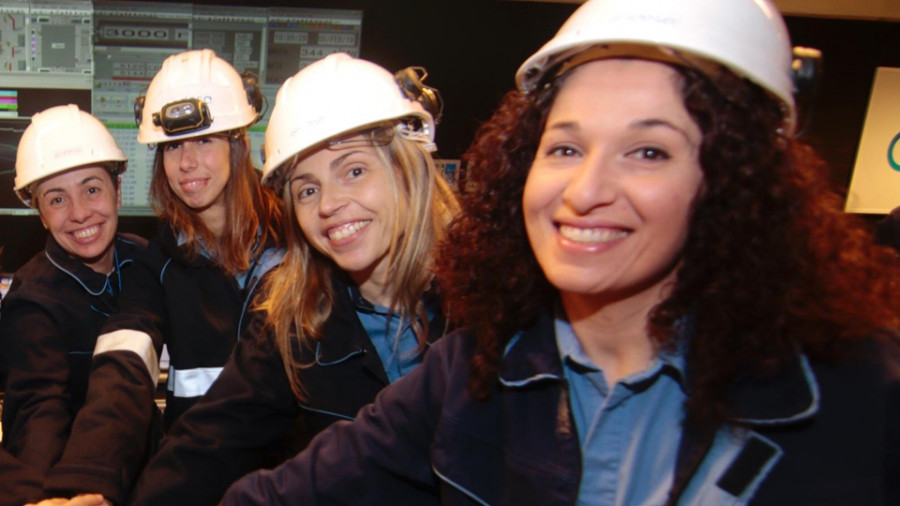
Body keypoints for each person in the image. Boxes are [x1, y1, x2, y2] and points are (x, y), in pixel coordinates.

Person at [221, 0, 900, 504]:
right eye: (566, 148)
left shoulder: (859, 399)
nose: (586, 190)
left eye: (648, 151)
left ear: (734, 178)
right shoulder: (473, 372)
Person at [129, 53, 458, 505]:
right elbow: (213, 437)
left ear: (408, 165)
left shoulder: (496, 310)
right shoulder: (300, 316)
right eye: (307, 188)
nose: (328, 204)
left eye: (354, 171)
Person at [97, 48, 285, 432]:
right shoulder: (159, 263)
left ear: (239, 143)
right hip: (197, 466)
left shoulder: (297, 242)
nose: (186, 163)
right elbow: (125, 358)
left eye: (204, 141)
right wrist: (93, 467)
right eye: (172, 146)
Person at [0, 105, 150, 505]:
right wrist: (49, 497)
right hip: (73, 483)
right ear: (41, 215)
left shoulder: (145, 262)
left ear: (118, 191)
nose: (80, 212)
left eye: (92, 189)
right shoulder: (31, 301)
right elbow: (38, 408)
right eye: (57, 199)